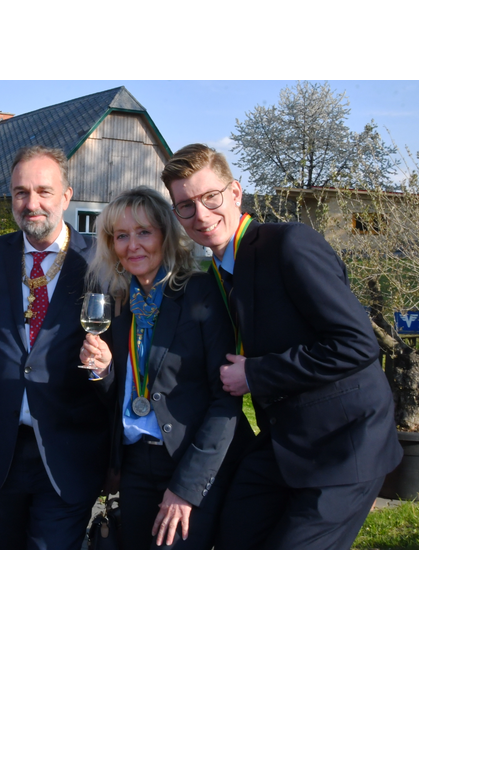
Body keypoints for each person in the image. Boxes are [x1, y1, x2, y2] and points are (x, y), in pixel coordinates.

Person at [162, 144, 402, 549]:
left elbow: (357, 344)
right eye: (186, 206)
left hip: (343, 444)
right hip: (281, 442)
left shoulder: (289, 243)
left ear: (236, 193)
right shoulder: (216, 272)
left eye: (210, 198)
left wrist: (254, 374)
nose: (201, 214)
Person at [0, 146, 110, 550]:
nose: (32, 203)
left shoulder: (101, 259)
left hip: (69, 453)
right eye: (20, 192)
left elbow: (118, 363)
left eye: (44, 191)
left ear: (67, 196)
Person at [81, 187, 248, 549]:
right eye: (121, 236)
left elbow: (225, 401)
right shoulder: (122, 302)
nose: (133, 245)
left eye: (144, 232)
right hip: (138, 463)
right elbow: (126, 398)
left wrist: (186, 489)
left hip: (191, 461)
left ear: (165, 235)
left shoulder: (201, 294)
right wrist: (104, 372)